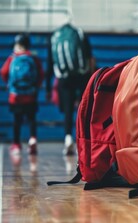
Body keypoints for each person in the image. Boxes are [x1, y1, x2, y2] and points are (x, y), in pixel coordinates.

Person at [46, 23, 96, 155]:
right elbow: (90, 57)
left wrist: (47, 88)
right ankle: (85, 140)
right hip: (82, 76)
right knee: (84, 109)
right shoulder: (80, 33)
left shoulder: (55, 36)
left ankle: (68, 138)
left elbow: (50, 63)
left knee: (68, 110)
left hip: (64, 78)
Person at [0, 33, 44, 156]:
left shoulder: (12, 58)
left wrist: (9, 84)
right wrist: (36, 86)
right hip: (31, 95)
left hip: (16, 97)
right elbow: (41, 74)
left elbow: (3, 72)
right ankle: (33, 139)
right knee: (32, 119)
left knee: (17, 121)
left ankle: (16, 144)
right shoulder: (33, 58)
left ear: (17, 45)